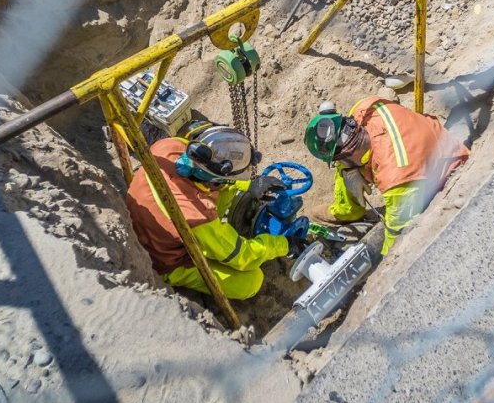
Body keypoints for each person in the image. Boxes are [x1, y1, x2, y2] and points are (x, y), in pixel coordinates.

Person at [126, 121, 304, 300]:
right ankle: (200, 261)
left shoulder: (169, 146)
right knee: (251, 281)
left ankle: (217, 240)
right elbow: (243, 256)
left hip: (146, 225)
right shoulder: (197, 215)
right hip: (165, 261)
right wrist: (285, 245)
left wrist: (251, 185)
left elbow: (217, 176)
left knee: (227, 190)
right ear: (213, 180)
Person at [304, 97, 470, 255]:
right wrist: (350, 170)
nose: (338, 165)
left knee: (397, 227)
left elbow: (397, 239)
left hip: (444, 176)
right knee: (346, 169)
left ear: (348, 154)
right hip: (424, 142)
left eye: (337, 161)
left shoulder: (396, 180)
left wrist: (381, 264)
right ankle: (348, 210)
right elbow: (349, 154)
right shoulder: (365, 107)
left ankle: (350, 211)